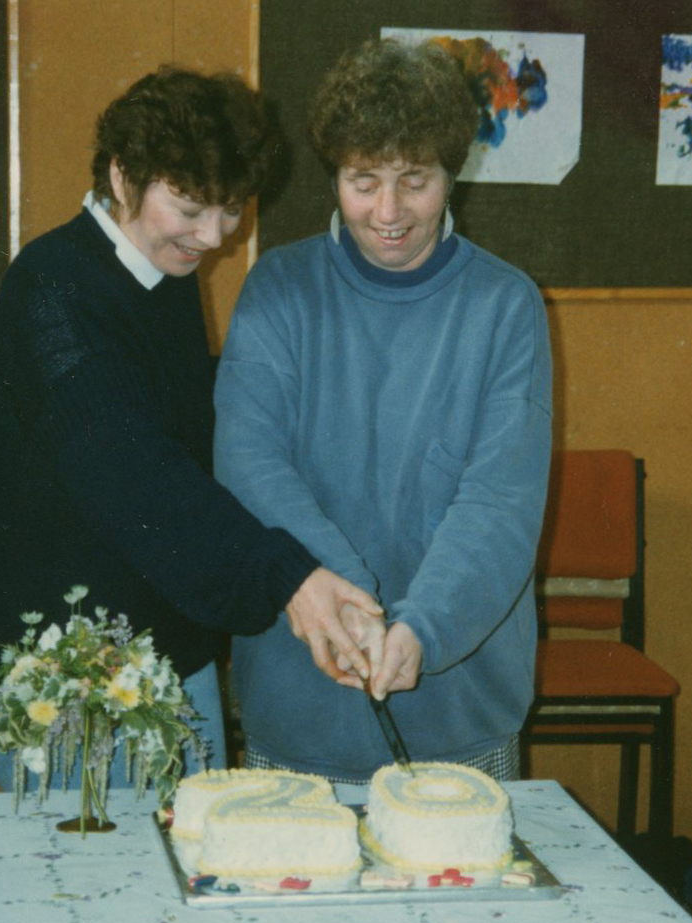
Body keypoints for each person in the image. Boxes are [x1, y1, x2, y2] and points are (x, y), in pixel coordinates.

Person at [0, 66, 382, 790]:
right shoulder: (53, 287)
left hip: (157, 646)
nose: (213, 237)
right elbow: (135, 476)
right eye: (190, 207)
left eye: (230, 210)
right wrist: (290, 578)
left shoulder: (158, 271)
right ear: (123, 176)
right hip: (66, 668)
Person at [213, 38, 553, 783]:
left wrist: (422, 628)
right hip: (298, 695)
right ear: (335, 174)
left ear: (453, 174)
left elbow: (500, 499)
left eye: (415, 180)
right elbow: (248, 463)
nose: (389, 211)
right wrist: (344, 600)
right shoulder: (278, 290)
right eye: (364, 181)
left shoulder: (506, 305)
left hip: (458, 708)